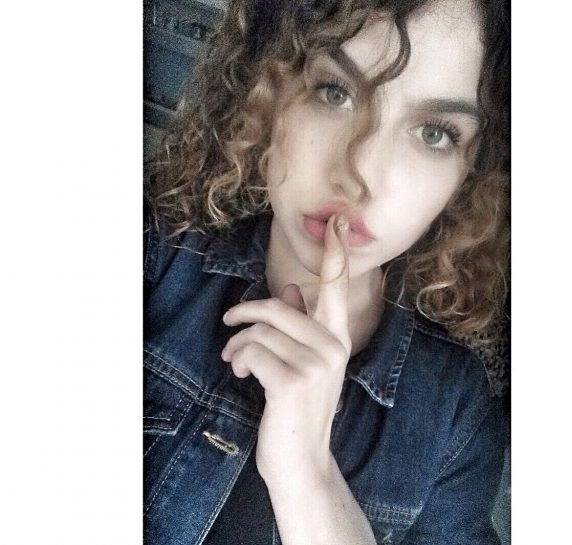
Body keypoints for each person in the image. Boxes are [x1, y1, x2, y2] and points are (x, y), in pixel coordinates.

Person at [144, 0, 510, 543]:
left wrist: (308, 478)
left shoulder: (456, 416)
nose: (359, 175)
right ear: (267, 96)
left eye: (434, 132)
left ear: (468, 177)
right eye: (334, 93)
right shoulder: (154, 259)